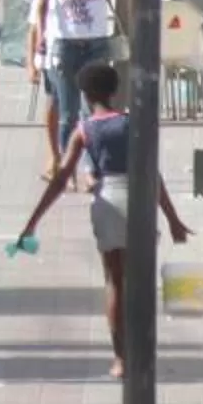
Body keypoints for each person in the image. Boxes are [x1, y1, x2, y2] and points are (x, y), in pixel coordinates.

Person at [13, 58, 193, 376]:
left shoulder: (84, 130)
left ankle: (121, 358)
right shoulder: (133, 124)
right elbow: (153, 174)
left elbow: (60, 178)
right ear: (115, 91)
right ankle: (143, 352)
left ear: (84, 94)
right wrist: (173, 219)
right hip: (139, 200)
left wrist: (32, 222)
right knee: (141, 281)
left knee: (114, 282)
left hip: (108, 199)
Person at [27, 0, 129, 169]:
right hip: (65, 45)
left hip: (95, 44)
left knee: (94, 109)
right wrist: (40, 37)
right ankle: (66, 167)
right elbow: (42, 5)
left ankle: (92, 166)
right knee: (68, 112)